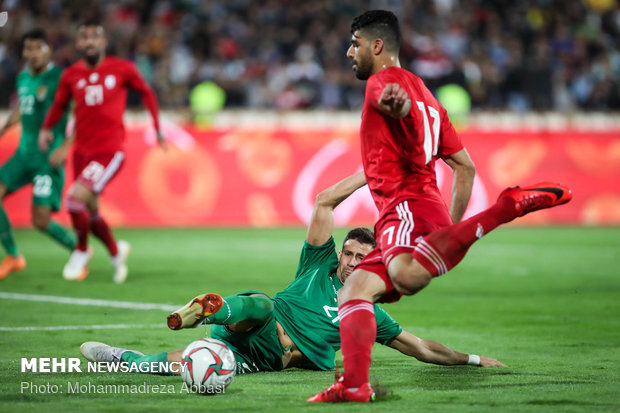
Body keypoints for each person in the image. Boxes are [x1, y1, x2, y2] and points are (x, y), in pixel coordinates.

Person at [309, 10, 572, 402]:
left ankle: (505, 208)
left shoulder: (384, 82)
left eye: (356, 43)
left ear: (377, 45)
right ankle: (354, 387)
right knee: (354, 292)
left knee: (407, 277)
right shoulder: (429, 96)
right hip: (425, 208)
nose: (350, 52)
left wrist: (396, 108)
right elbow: (465, 167)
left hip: (404, 205)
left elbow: (392, 103)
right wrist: (446, 228)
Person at [80, 172, 504, 377]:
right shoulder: (319, 263)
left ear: (375, 261)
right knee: (263, 304)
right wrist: (369, 174)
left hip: (265, 358)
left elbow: (421, 348)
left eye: (362, 257)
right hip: (258, 322)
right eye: (349, 253)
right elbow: (322, 204)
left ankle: (124, 359)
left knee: (191, 367)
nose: (352, 261)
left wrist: (471, 359)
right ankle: (215, 308)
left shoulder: (370, 310)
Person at [39, 20, 166, 283]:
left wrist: (157, 127)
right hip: (82, 151)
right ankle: (115, 251)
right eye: (84, 37)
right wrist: (47, 128)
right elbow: (60, 106)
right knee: (90, 209)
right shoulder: (71, 74)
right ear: (78, 44)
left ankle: (81, 249)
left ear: (103, 42)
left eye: (94, 37)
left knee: (74, 200)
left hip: (109, 150)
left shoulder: (122, 69)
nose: (89, 42)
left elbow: (147, 93)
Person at [0, 29, 76, 280]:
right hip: (24, 154)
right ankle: (13, 255)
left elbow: (80, 112)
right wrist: (5, 128)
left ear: (48, 50)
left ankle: (78, 250)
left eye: (38, 48)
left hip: (48, 157)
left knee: (40, 221)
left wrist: (66, 146)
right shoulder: (23, 78)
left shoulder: (61, 78)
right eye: (28, 48)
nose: (32, 54)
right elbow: (24, 106)